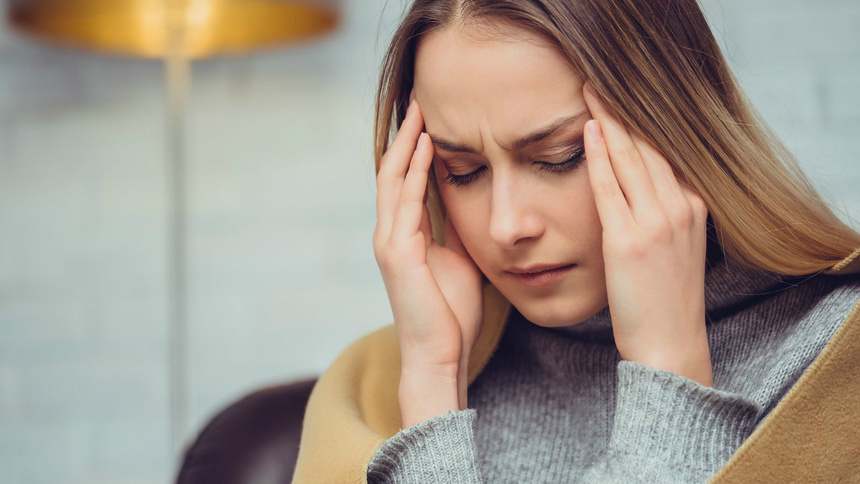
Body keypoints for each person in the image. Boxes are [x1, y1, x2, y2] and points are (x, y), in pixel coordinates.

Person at [291, 1, 860, 483]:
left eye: (559, 157)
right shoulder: (374, 383)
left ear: (677, 131)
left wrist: (668, 371)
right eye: (462, 170)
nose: (506, 226)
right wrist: (432, 384)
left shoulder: (835, 359)